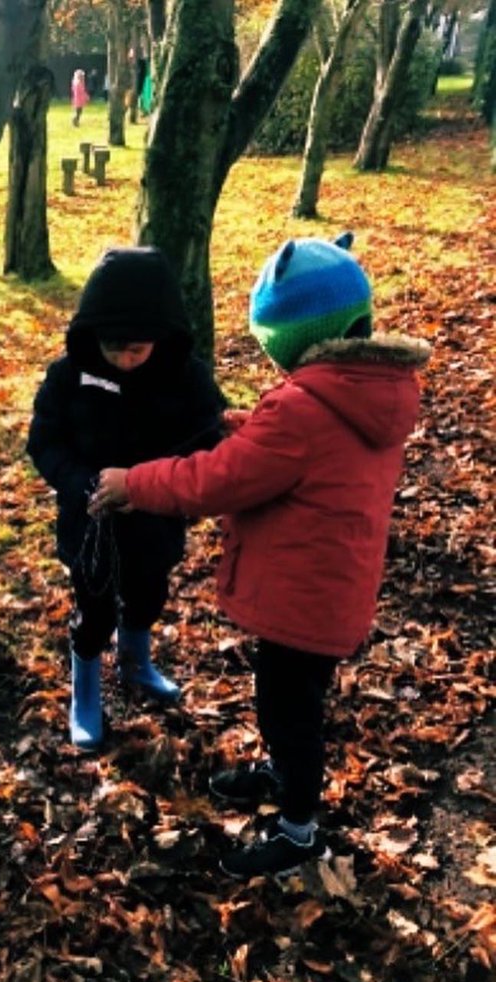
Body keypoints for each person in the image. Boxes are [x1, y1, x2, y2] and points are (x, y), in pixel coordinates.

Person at [89, 233, 430, 878]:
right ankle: (281, 772)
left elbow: (216, 481)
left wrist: (133, 484)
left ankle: (300, 830)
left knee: (289, 708)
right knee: (296, 699)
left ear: (293, 337)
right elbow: (303, 455)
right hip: (333, 588)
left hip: (302, 597)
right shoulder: (371, 391)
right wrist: (256, 428)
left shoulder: (302, 410)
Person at [27, 246, 226, 752]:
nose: (126, 359)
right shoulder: (69, 375)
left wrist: (157, 486)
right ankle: (87, 690)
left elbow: (210, 439)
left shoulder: (188, 378)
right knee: (93, 609)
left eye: (137, 349)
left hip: (155, 520)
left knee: (148, 594)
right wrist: (81, 485)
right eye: (115, 348)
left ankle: (137, 662)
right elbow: (45, 441)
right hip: (89, 524)